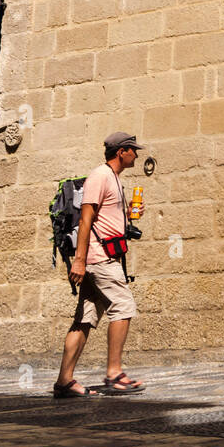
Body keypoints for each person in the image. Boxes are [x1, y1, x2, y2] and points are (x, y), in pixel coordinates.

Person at [53, 132, 146, 397]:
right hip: (99, 258)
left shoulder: (113, 179)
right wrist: (79, 261)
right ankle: (114, 374)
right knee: (123, 306)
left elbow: (105, 219)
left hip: (101, 257)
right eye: (133, 150)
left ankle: (64, 382)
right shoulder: (100, 176)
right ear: (122, 152)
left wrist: (128, 215)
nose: (136, 155)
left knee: (84, 319)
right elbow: (85, 220)